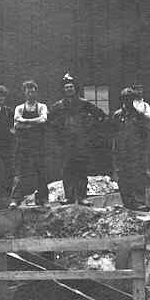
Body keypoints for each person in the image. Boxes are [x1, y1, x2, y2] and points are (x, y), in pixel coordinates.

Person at [49, 74, 107, 205]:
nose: (69, 89)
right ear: (63, 90)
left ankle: (82, 197)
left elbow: (101, 116)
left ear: (75, 89)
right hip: (66, 143)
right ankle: (69, 197)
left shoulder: (84, 103)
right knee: (67, 169)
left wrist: (90, 129)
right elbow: (49, 121)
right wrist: (59, 132)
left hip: (81, 141)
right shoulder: (58, 106)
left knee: (81, 169)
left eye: (71, 87)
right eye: (67, 87)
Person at [10, 80, 50, 208]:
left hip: (38, 145)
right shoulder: (20, 108)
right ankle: (16, 199)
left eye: (33, 92)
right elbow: (16, 123)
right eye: (28, 92)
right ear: (24, 93)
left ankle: (43, 199)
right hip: (23, 145)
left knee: (41, 171)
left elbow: (43, 119)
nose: (30, 94)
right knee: (21, 172)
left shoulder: (42, 106)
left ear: (36, 93)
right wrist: (33, 122)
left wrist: (25, 122)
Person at [111, 87, 149, 209]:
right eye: (125, 99)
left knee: (137, 176)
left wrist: (142, 150)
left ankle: (139, 202)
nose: (127, 101)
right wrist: (115, 151)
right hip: (121, 151)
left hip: (136, 151)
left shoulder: (138, 115)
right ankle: (127, 203)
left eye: (130, 99)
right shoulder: (117, 116)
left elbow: (144, 134)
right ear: (122, 100)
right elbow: (113, 133)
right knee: (123, 178)